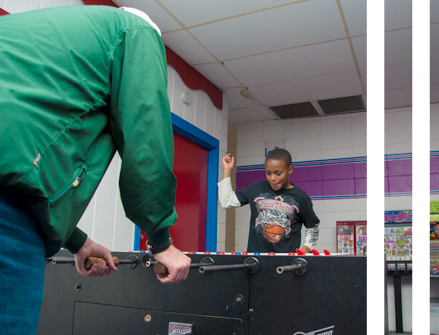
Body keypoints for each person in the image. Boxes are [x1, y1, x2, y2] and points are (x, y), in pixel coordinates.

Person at [0, 6, 191, 334]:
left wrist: (77, 242)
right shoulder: (137, 31)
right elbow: (145, 138)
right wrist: (160, 241)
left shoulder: (31, 31)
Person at [218, 148, 320, 253]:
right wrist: (227, 169)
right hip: (257, 262)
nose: (272, 178)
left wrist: (305, 249)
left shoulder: (301, 197)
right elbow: (227, 201)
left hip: (287, 265)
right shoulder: (257, 188)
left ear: (289, 170)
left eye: (278, 173)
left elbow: (313, 228)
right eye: (268, 173)